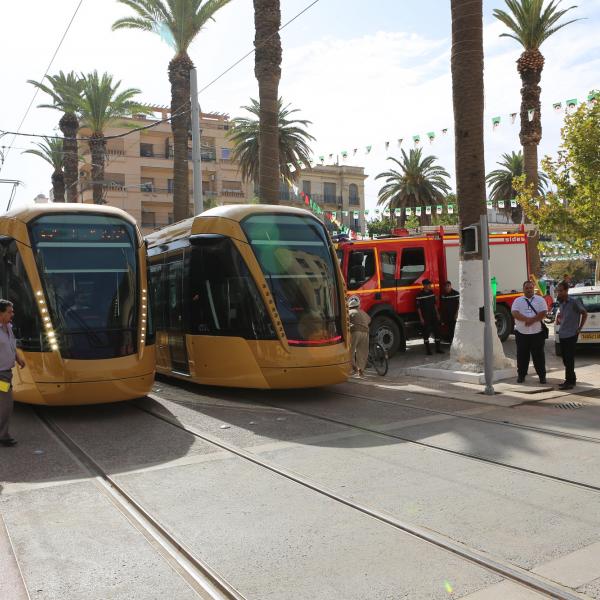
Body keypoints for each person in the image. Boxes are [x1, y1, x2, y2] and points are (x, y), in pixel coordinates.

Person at [511, 281, 548, 384]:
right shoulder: (517, 301)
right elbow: (514, 313)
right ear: (523, 289)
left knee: (539, 357)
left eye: (531, 288)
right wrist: (526, 319)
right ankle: (521, 376)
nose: (529, 290)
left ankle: (542, 376)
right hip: (522, 334)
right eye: (527, 288)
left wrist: (532, 320)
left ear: (534, 288)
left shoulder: (540, 300)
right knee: (522, 357)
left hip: (537, 333)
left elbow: (544, 312)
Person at [0, 300, 26, 447]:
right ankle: (3, 436)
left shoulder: (8, 327)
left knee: (3, 404)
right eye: (9, 311)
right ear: (0, 313)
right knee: (6, 404)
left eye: (12, 311)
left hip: (7, 373)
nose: (12, 314)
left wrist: (18, 358)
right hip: (0, 375)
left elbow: (11, 345)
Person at [555, 281, 587, 390]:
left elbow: (584, 313)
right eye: (558, 291)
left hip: (571, 335)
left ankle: (569, 382)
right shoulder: (561, 302)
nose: (558, 293)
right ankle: (572, 379)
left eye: (561, 291)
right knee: (565, 359)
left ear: (566, 290)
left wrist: (579, 328)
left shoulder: (574, 302)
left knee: (569, 359)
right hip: (563, 334)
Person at [416, 279, 443, 355]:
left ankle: (438, 349)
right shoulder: (419, 295)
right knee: (426, 333)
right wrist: (421, 318)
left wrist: (437, 314)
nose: (430, 286)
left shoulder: (431, 293)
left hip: (433, 315)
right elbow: (418, 308)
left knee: (437, 331)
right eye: (428, 284)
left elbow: (434, 304)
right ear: (424, 285)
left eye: (430, 284)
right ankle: (428, 350)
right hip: (425, 316)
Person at [348, 295, 371, 377]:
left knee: (350, 351)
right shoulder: (363, 312)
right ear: (358, 305)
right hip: (365, 332)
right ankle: (360, 370)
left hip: (355, 332)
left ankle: (353, 367)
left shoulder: (349, 312)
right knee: (362, 352)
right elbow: (369, 320)